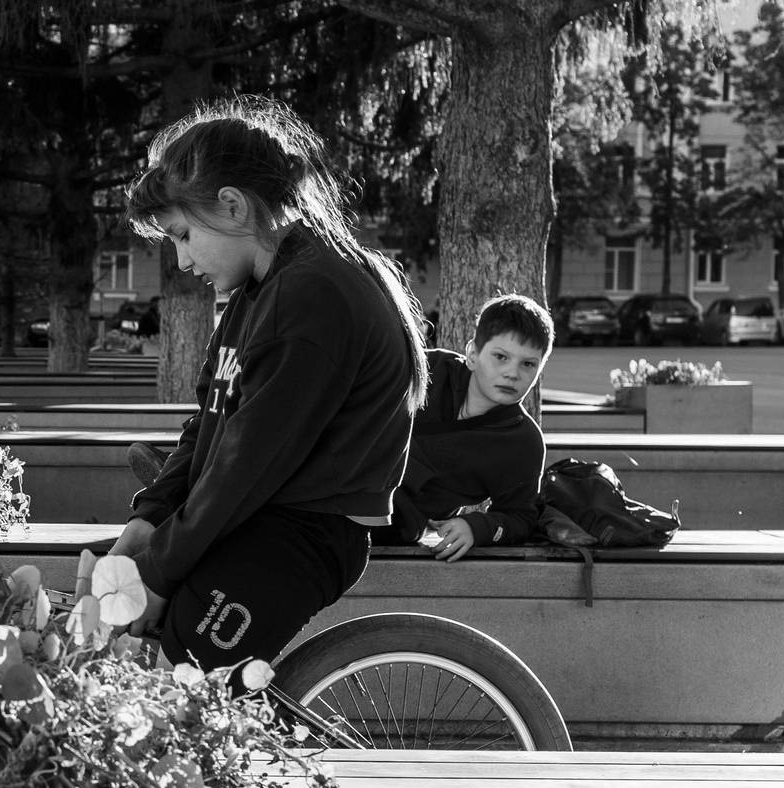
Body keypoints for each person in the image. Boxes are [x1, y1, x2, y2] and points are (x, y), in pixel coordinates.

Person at [108, 94, 430, 673]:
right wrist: (148, 519)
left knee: (178, 681)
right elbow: (211, 422)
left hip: (298, 535)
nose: (182, 262)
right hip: (263, 520)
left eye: (182, 235)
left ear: (232, 206)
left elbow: (245, 463)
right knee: (163, 677)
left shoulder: (310, 293)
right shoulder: (261, 289)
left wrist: (156, 572)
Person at [373, 293, 553, 561]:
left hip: (393, 530)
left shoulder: (522, 442)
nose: (512, 373)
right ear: (472, 354)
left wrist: (477, 528)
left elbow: (520, 517)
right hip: (343, 492)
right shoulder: (426, 371)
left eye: (528, 364)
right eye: (501, 357)